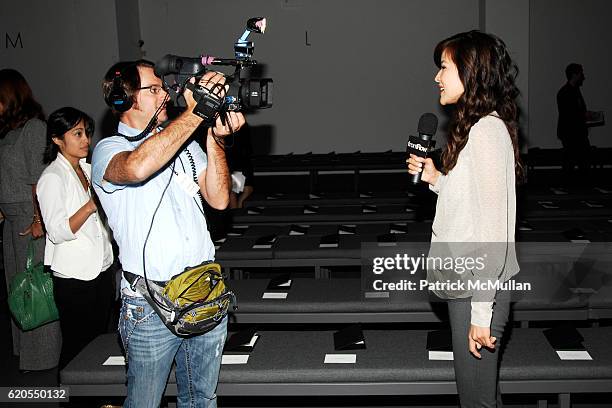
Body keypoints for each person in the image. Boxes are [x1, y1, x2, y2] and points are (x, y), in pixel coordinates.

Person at [91, 60, 245, 407]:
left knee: (202, 400)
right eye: (155, 89)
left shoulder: (183, 145)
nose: (166, 93)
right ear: (124, 98)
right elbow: (137, 167)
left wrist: (214, 138)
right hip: (149, 307)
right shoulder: (108, 150)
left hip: (203, 293)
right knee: (145, 403)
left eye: (163, 86)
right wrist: (194, 113)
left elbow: (220, 199)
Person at [407, 31, 522, 407]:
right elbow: (472, 204)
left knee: (476, 401)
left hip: (478, 287)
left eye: (444, 68)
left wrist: (480, 312)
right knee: (482, 395)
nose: (437, 77)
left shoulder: (486, 132)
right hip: (473, 283)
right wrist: (437, 179)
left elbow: (493, 233)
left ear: (471, 73)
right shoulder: (480, 129)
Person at [37, 107, 114, 370]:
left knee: (100, 343)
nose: (86, 140)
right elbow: (57, 232)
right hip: (74, 277)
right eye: (77, 133)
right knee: (77, 348)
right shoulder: (51, 177)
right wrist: (91, 205)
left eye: (87, 133)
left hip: (102, 268)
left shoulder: (88, 168)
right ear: (57, 139)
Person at [0, 68, 61, 371]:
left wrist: (39, 219)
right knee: (17, 289)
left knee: (36, 289)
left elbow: (41, 179)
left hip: (29, 218)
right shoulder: (9, 132)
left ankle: (44, 358)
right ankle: (25, 353)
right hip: (11, 221)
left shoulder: (34, 128)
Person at [557, 63, 590, 179]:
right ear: (574, 75)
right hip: (571, 134)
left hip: (576, 133)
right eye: (581, 73)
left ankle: (575, 187)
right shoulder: (565, 93)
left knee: (579, 161)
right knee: (573, 161)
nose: (583, 76)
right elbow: (569, 115)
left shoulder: (573, 91)